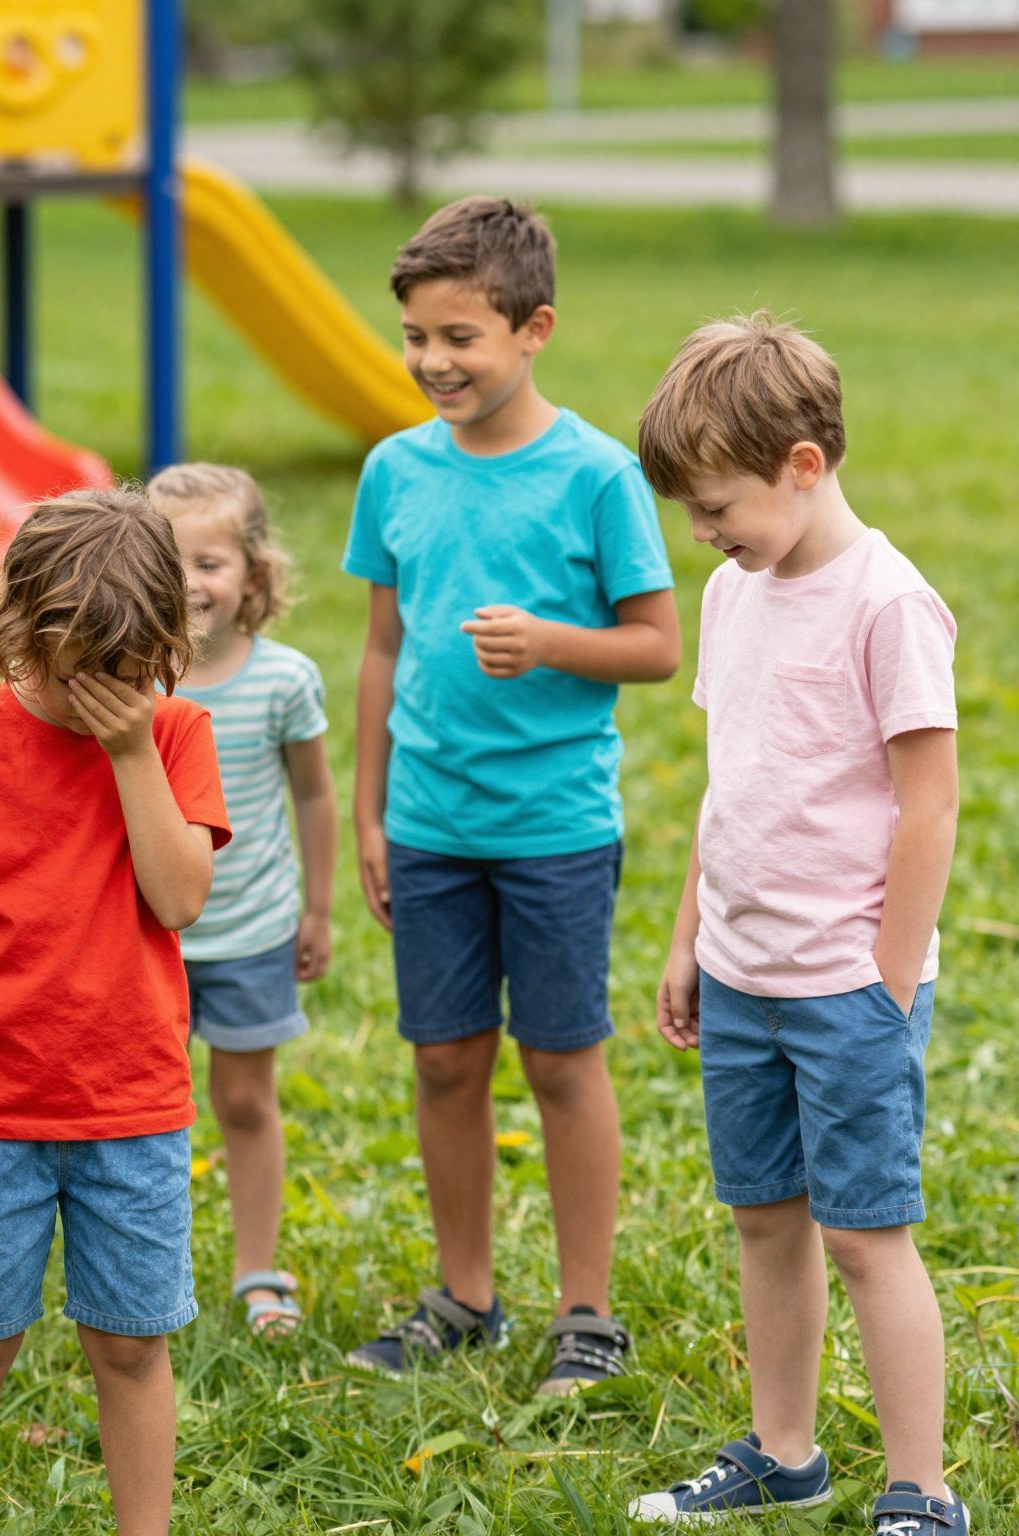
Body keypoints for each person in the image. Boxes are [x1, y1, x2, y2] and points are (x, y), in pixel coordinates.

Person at [628, 315, 964, 1532]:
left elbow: (928, 803)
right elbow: (736, 783)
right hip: (739, 971)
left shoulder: (887, 603)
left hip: (843, 988)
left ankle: (919, 1488)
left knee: (867, 1236)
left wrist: (883, 981)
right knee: (763, 1218)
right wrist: (686, 943)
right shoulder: (733, 590)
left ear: (802, 465)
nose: (703, 534)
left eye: (716, 506)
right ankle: (783, 1452)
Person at [342, 196, 680, 1396]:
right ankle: (465, 1293)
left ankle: (585, 1311)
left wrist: (546, 641)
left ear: (532, 328)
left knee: (557, 1062)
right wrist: (369, 812)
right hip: (429, 826)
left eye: (459, 337)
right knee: (442, 1062)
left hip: (551, 830)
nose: (432, 361)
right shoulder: (392, 471)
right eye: (415, 338)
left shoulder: (594, 475)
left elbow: (654, 647)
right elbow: (381, 648)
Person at [0, 489, 229, 1536]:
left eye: (119, 675)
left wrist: (128, 751)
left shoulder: (173, 736)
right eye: (70, 669)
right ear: (16, 629)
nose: (93, 697)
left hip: (131, 1107)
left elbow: (177, 900)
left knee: (129, 1342)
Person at [148, 464, 336, 1338]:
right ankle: (146, 1265)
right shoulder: (131, 683)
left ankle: (259, 1270)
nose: (190, 582)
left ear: (254, 574)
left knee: (246, 1102)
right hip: (144, 937)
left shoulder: (286, 680)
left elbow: (312, 798)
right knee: (142, 1112)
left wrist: (319, 909)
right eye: (169, 560)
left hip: (254, 930)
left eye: (211, 562)